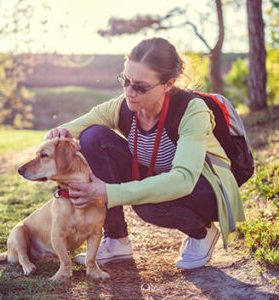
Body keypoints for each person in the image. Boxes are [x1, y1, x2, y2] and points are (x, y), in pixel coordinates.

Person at [45, 37, 245, 270]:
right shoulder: (124, 107)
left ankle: (201, 231)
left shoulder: (192, 111)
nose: (130, 92)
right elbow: (78, 126)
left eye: (140, 86)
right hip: (162, 176)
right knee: (92, 136)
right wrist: (58, 136)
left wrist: (108, 192)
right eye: (126, 81)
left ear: (169, 84)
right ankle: (117, 240)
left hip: (205, 188)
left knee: (147, 205)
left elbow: (183, 180)